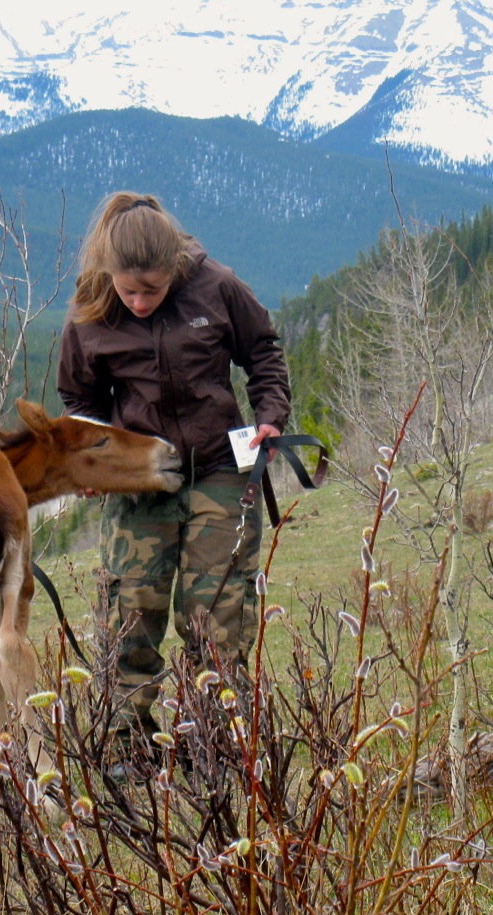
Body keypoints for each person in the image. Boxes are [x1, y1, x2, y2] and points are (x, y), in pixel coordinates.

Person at [56, 190, 291, 757]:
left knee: (218, 617)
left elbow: (263, 353)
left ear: (175, 271)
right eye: (128, 289)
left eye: (152, 290)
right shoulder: (91, 308)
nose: (138, 301)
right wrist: (90, 460)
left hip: (220, 469)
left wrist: (270, 419)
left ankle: (213, 745)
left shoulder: (217, 286)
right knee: (131, 614)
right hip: (139, 481)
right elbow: (78, 399)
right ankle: (126, 752)